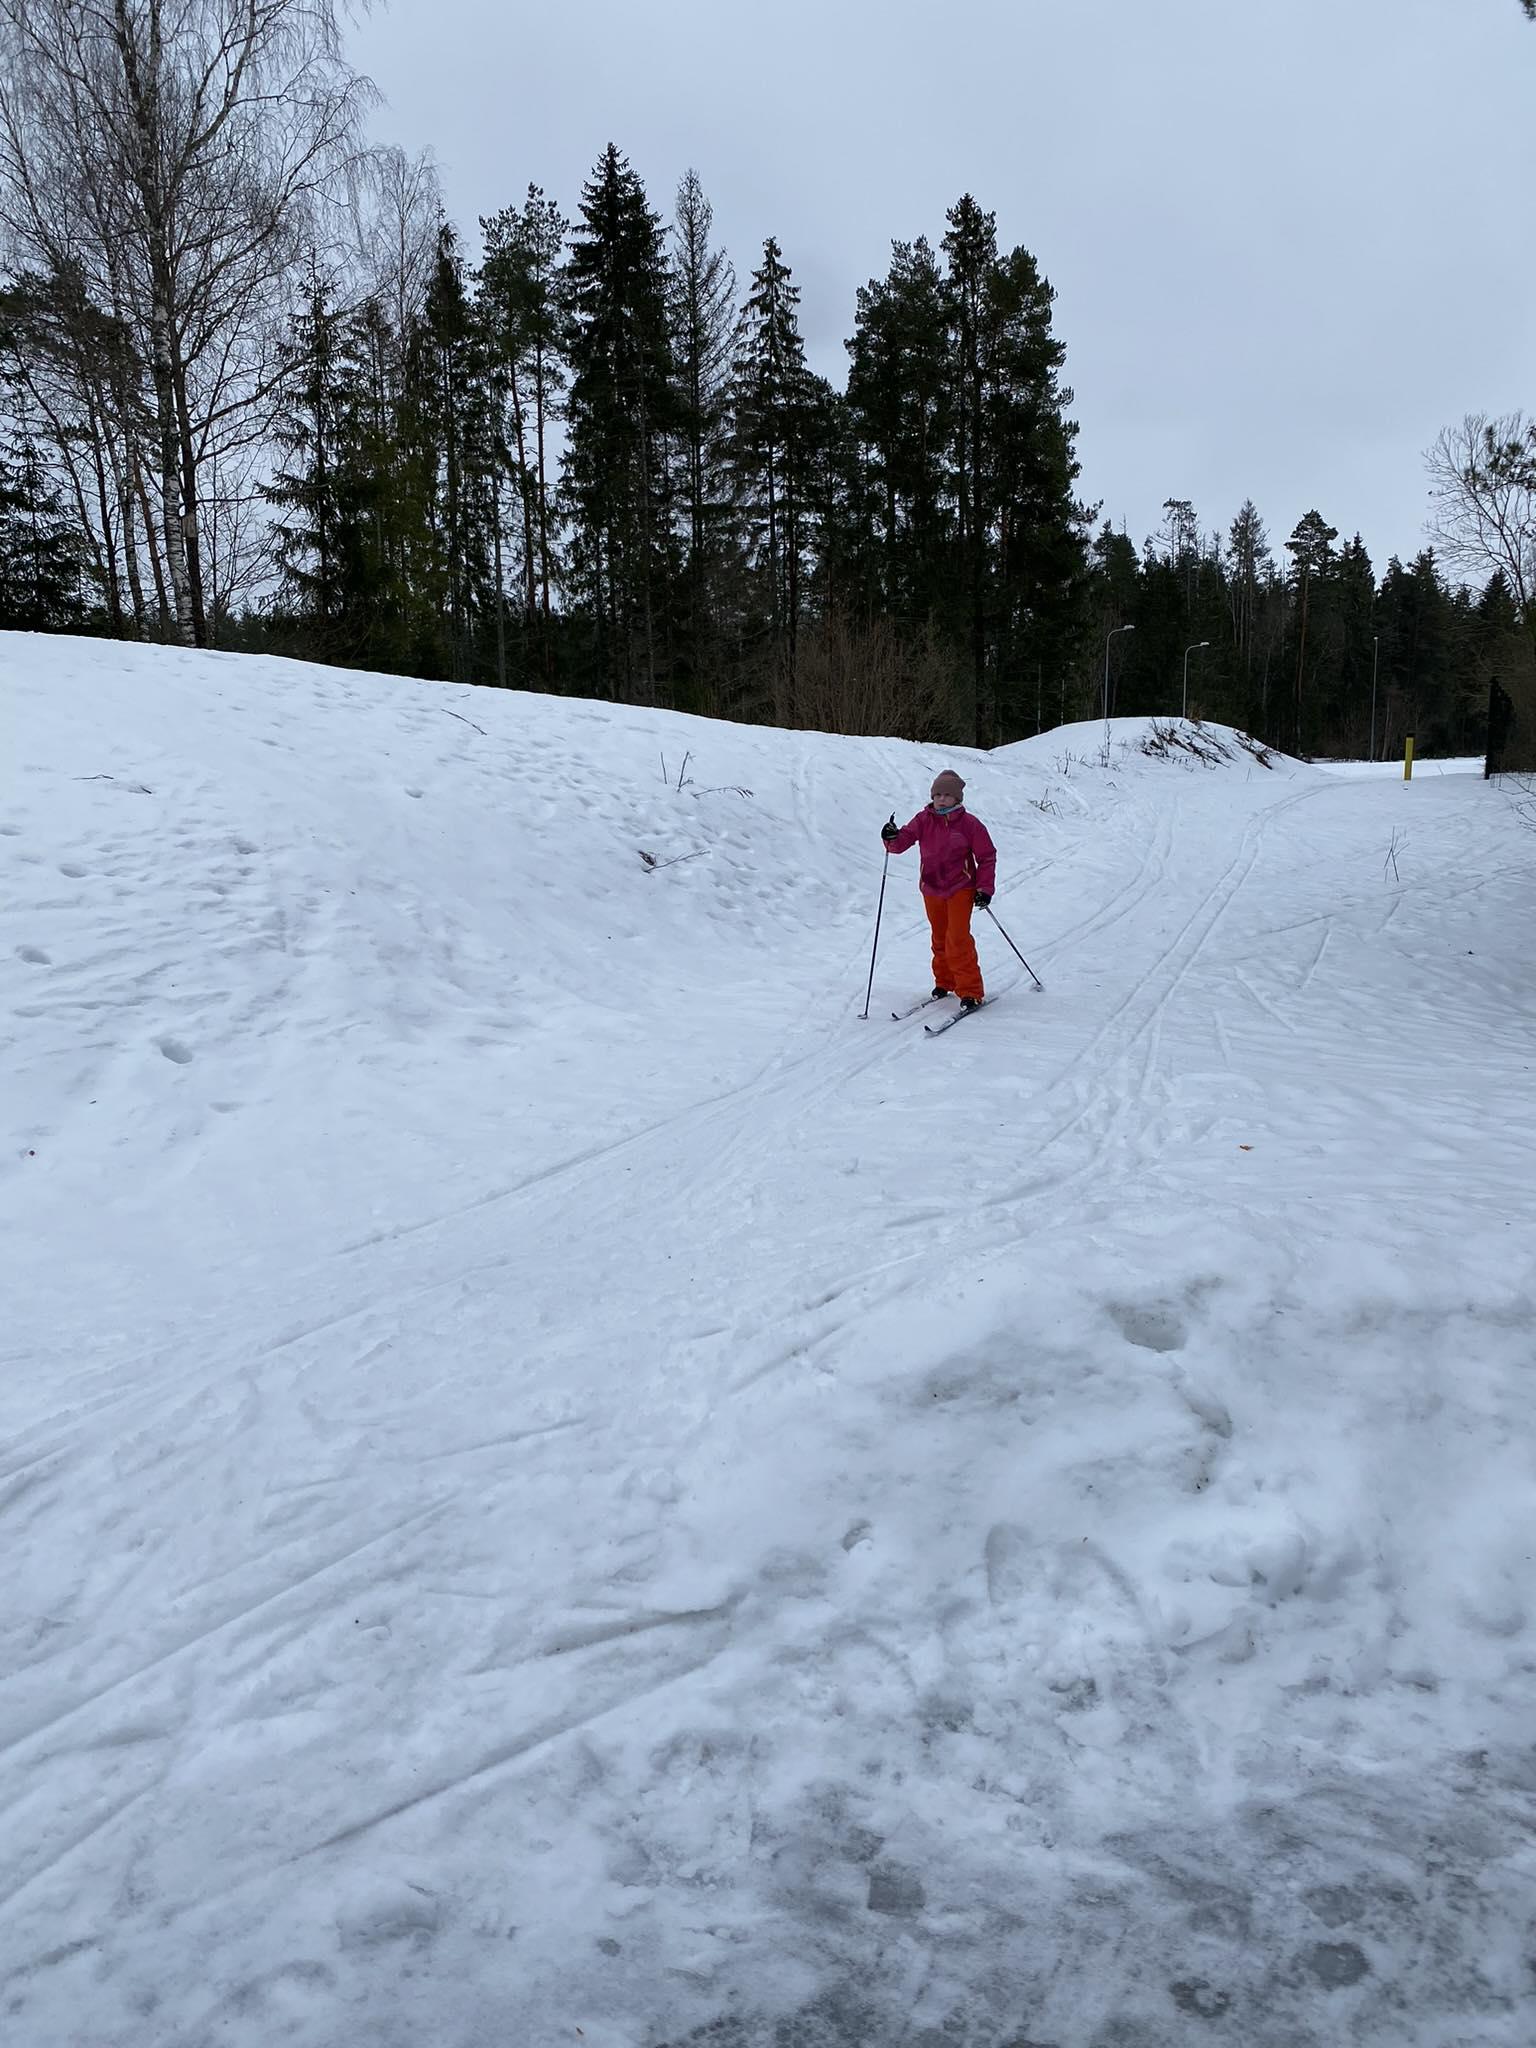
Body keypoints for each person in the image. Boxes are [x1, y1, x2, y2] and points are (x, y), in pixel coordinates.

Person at [880, 771, 997, 1009]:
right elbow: (900, 843)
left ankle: (971, 991)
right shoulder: (924, 819)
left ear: (957, 798)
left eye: (947, 795)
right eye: (937, 795)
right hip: (931, 888)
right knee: (939, 937)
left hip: (961, 887)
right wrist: (890, 836)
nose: (941, 799)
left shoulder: (970, 824)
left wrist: (985, 888)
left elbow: (987, 857)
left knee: (958, 938)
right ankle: (945, 981)